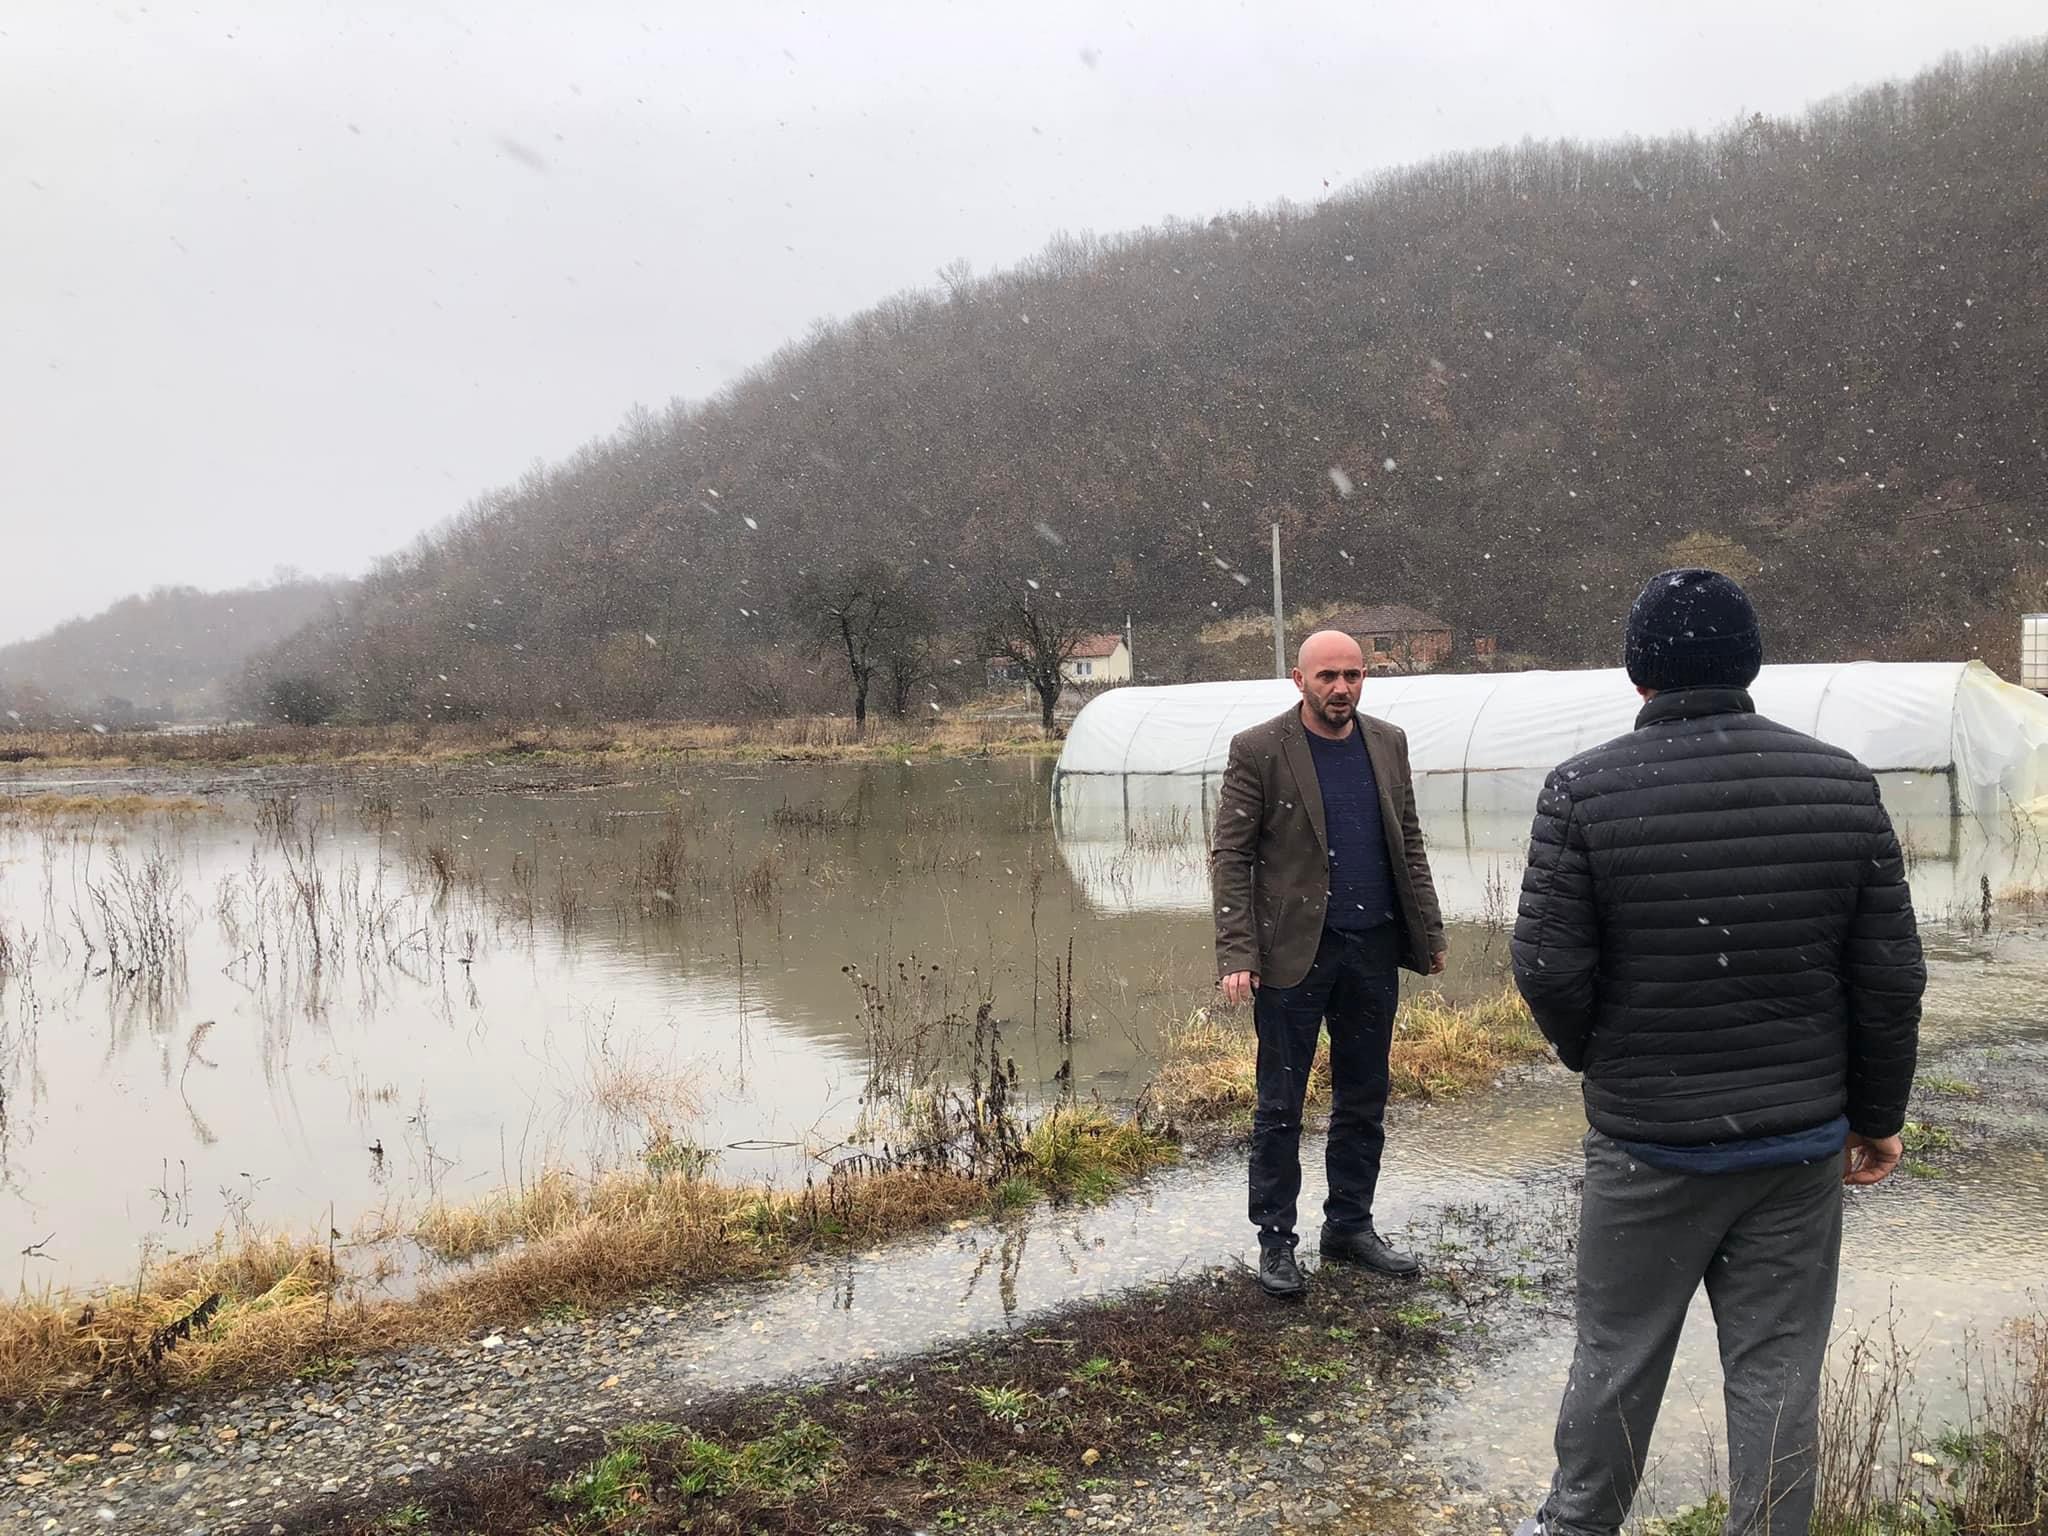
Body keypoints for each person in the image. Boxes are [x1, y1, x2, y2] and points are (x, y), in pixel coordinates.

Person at [1510, 569, 1925, 1536]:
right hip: (1796, 1143)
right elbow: (1890, 978)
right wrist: (1877, 1118)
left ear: (1636, 670)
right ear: (1750, 661)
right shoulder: (1839, 783)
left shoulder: (1583, 790)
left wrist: (1605, 1058)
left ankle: (1577, 1528)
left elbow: (1546, 967)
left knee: (1618, 1354)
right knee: (1777, 1370)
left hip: (1648, 1141)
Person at [1210, 628, 1447, 1299]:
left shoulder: (1387, 742)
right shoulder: (1260, 750)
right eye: (1327, 677)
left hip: (1371, 946)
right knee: (1280, 1105)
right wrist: (1237, 950)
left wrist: (1426, 929)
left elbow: (1408, 841)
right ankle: (1276, 1241)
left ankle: (1349, 1226)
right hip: (1293, 956)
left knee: (1364, 1098)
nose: (1341, 688)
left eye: (1352, 675)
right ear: (1299, 679)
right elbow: (1232, 856)